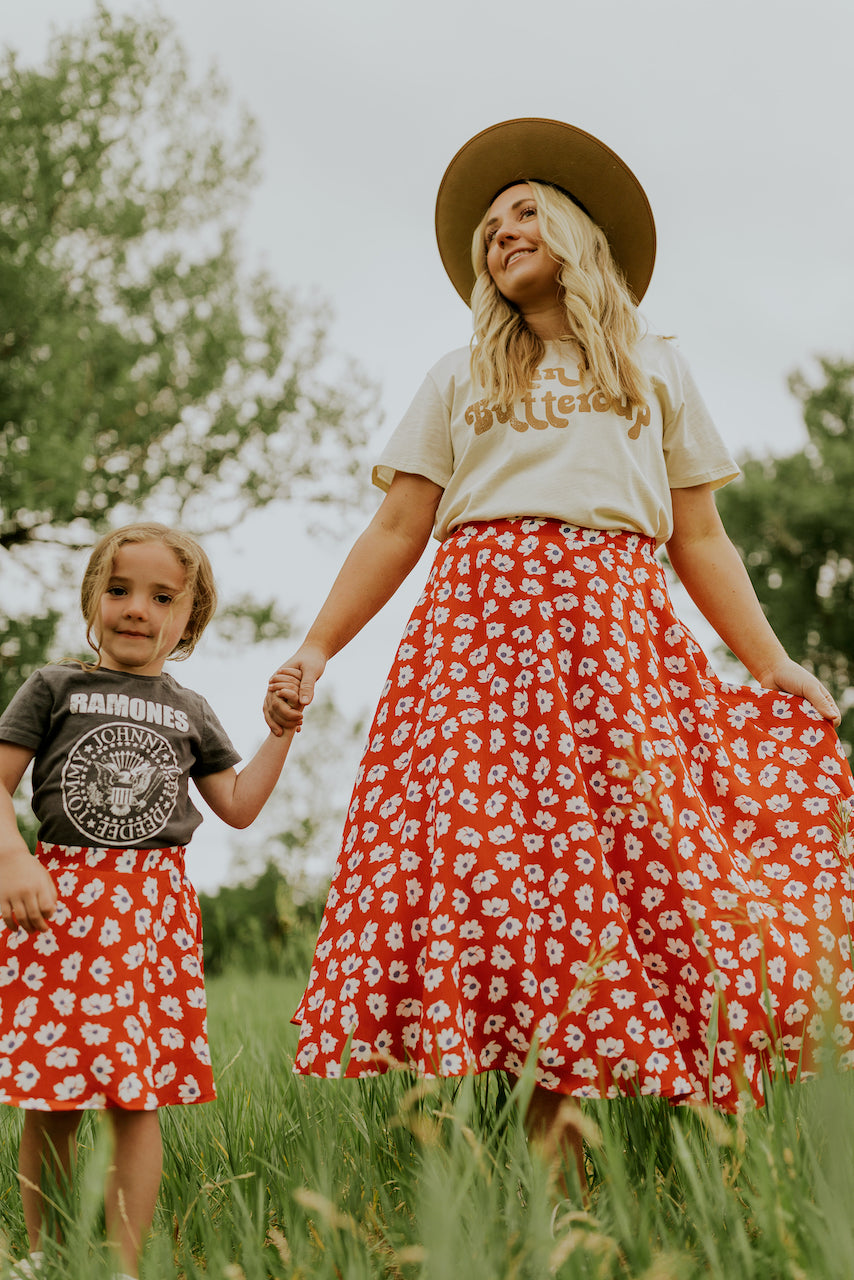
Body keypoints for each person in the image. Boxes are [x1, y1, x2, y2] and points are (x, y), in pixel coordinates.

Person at [264, 118, 854, 1194]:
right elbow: (397, 527)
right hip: (476, 654)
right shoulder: (459, 374)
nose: (500, 231)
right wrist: (314, 643)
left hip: (611, 650)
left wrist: (772, 665)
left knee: (640, 872)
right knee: (504, 883)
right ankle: (552, 1181)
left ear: (578, 233)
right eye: (488, 226)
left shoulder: (653, 369)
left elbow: (700, 540)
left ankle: (667, 1159)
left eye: (523, 210)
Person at [0, 522, 301, 1279]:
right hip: (59, 903)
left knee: (137, 1097)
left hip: (151, 914)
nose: (137, 608)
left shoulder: (191, 709)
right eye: (120, 590)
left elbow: (236, 806)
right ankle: (46, 1255)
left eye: (161, 597)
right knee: (54, 1091)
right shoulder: (53, 687)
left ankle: (123, 1265)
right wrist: (12, 860)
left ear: (187, 620)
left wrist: (280, 735)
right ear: (93, 600)